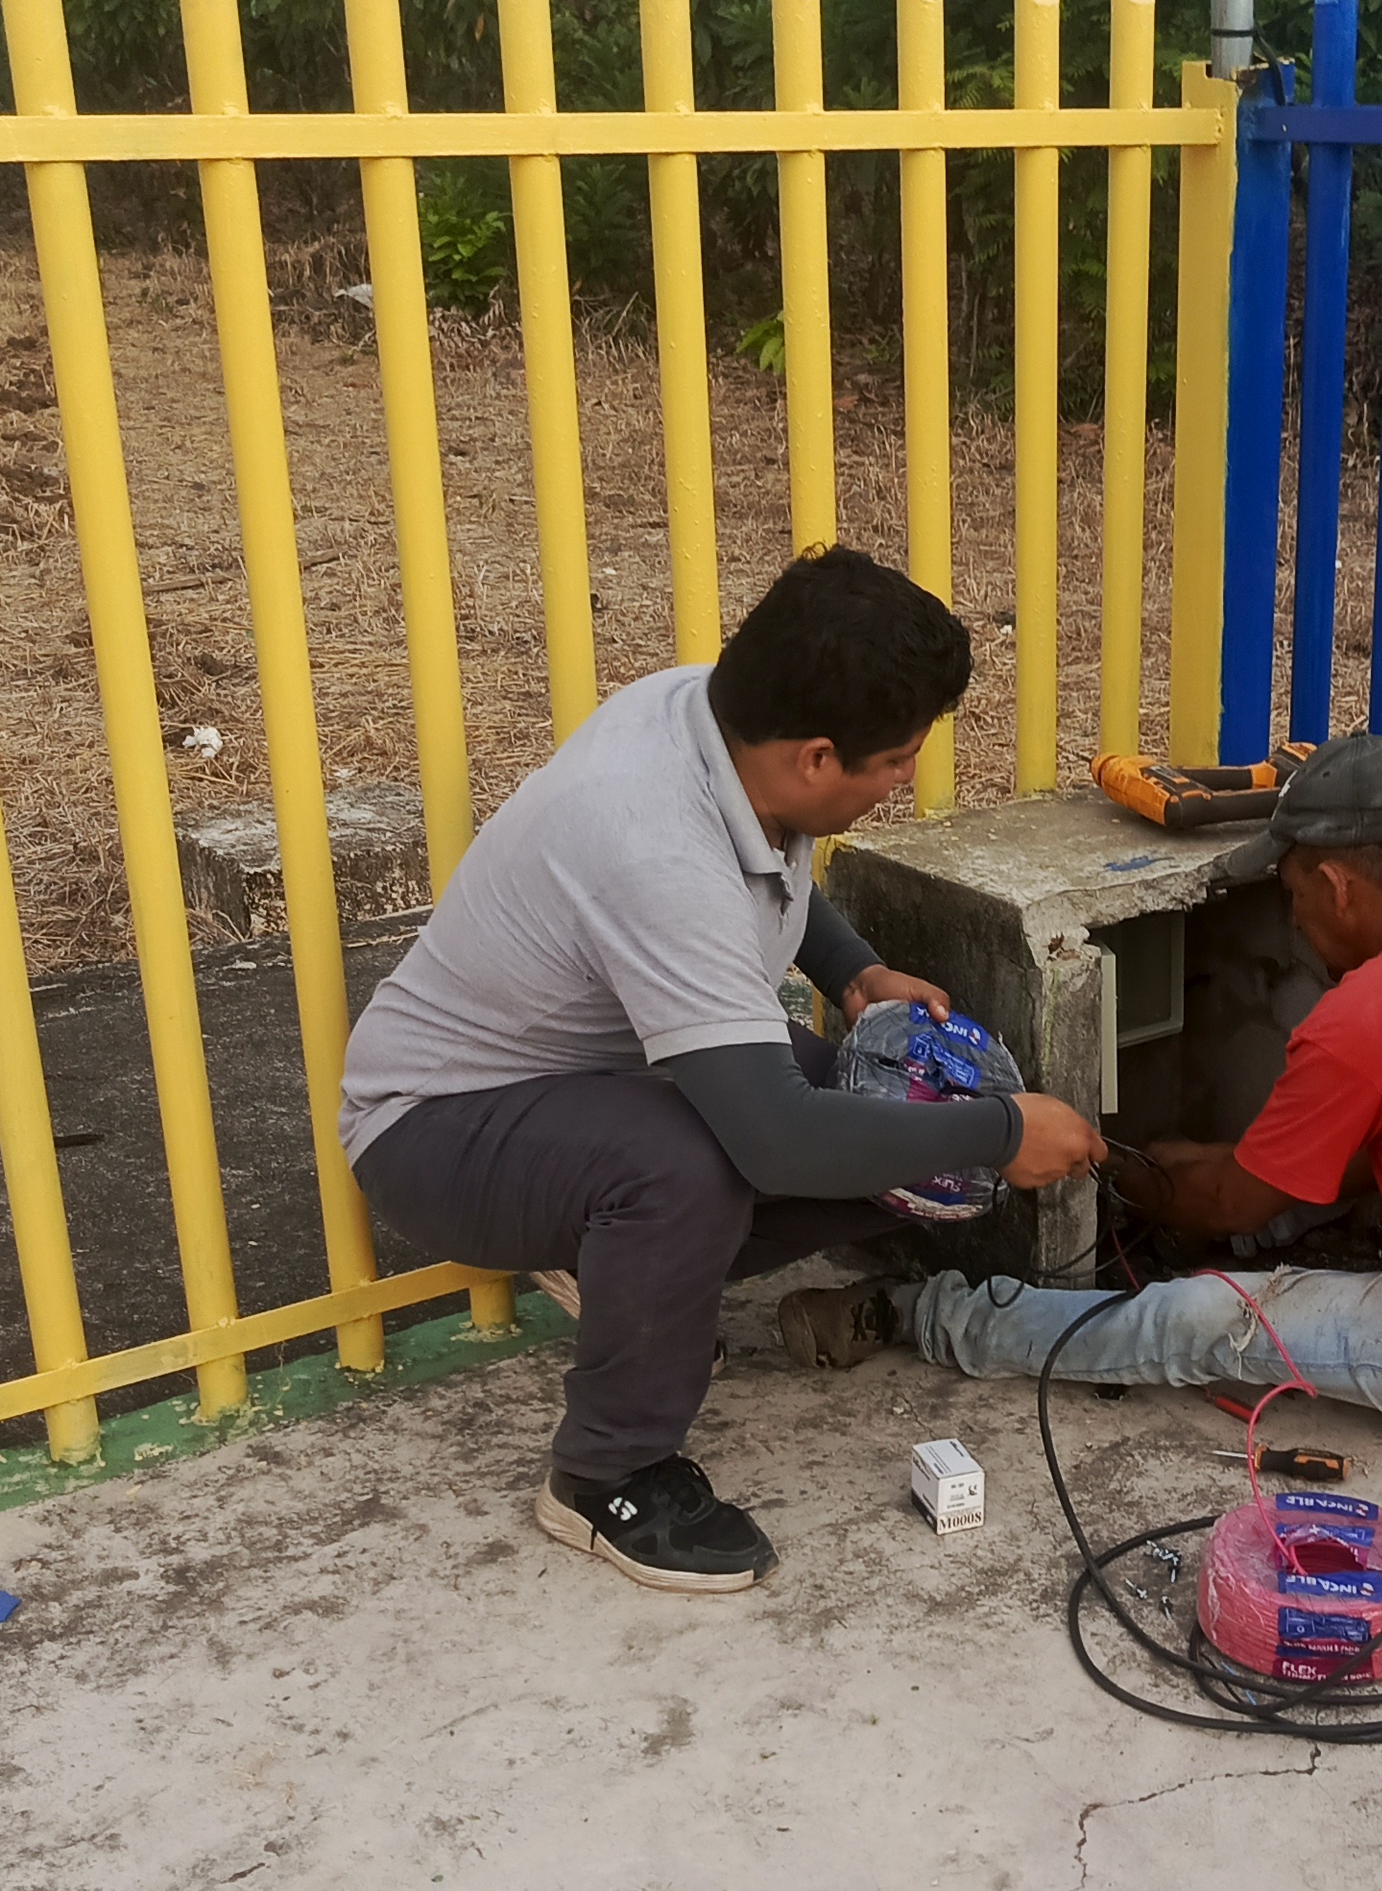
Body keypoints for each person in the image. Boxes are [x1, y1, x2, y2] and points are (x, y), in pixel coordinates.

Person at [339, 548, 1102, 1592]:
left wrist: (852, 969)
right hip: (435, 1128)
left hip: (585, 1079)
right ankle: (605, 1475)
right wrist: (1006, 1132)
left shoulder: (719, 720)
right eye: (895, 762)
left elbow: (766, 863)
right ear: (817, 757)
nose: (904, 782)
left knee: (894, 1130)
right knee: (693, 1168)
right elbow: (776, 1141)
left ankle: (630, 1278)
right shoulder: (651, 839)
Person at [779, 731, 1382, 1454]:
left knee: (1205, 1318)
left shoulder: (1372, 1014)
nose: (1294, 918)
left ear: (1338, 885)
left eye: (1292, 892)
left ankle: (928, 1313)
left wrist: (1112, 1162)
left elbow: (1226, 1199)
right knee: (1339, 1187)